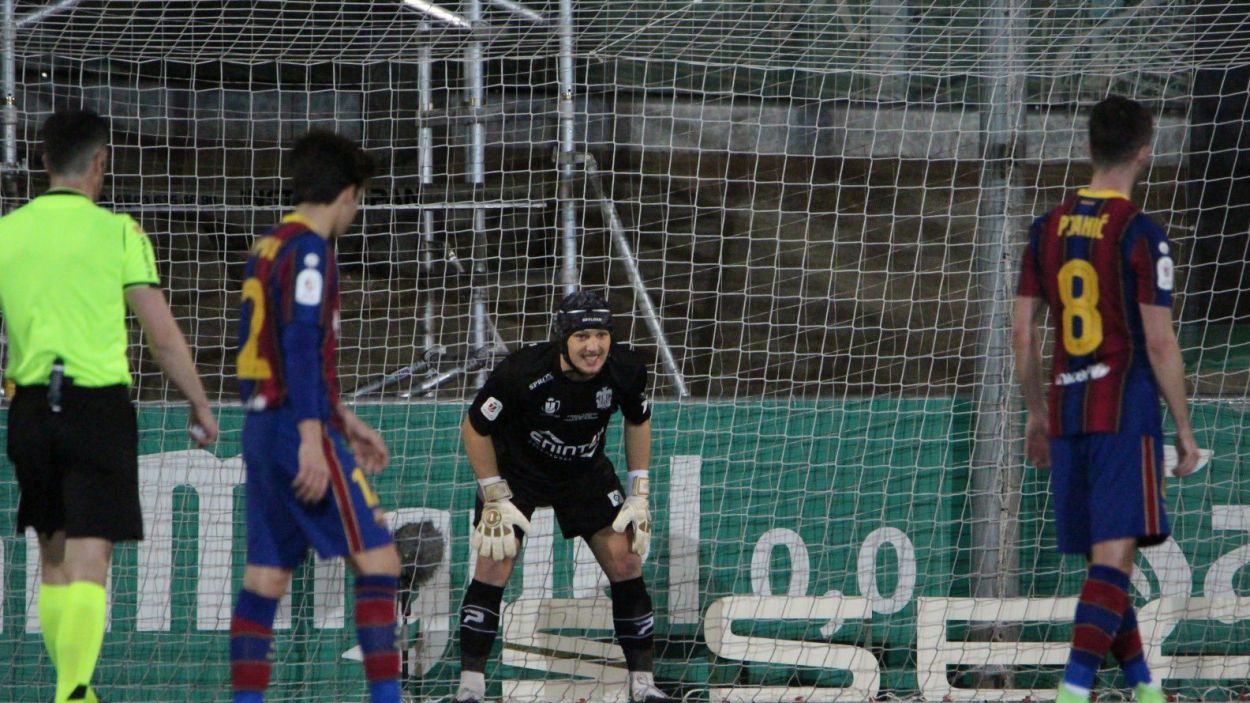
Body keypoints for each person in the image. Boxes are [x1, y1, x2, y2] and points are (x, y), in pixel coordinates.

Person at [0, 108, 219, 703]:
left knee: (54, 554)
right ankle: (74, 691)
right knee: (92, 558)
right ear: (101, 163)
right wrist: (199, 402)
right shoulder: (120, 232)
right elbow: (163, 334)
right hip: (97, 407)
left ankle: (70, 688)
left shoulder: (7, 233)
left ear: (42, 162)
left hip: (28, 410)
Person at [1012, 95, 1200, 703]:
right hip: (1124, 410)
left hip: (1067, 411)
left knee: (1107, 566)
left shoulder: (1046, 228)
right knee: (1112, 563)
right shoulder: (1142, 235)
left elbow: (1021, 331)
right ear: (1145, 150)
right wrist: (1185, 431)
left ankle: (1146, 692)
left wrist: (1037, 413)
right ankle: (1072, 693)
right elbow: (1159, 341)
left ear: (1089, 147)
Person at [230, 131, 401, 703]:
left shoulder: (269, 245)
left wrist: (343, 417)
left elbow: (277, 349)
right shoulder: (309, 250)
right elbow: (301, 343)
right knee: (379, 560)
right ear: (349, 194)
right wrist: (313, 435)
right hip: (294, 428)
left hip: (260, 424)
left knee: (267, 577)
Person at [454, 289, 672, 703]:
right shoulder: (521, 371)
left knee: (627, 561)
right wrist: (494, 494)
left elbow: (638, 420)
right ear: (563, 338)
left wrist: (639, 490)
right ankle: (470, 688)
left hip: (584, 473)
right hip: (516, 475)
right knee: (493, 565)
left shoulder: (625, 370)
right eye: (582, 336)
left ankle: (644, 687)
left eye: (602, 335)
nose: (593, 347)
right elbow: (474, 428)